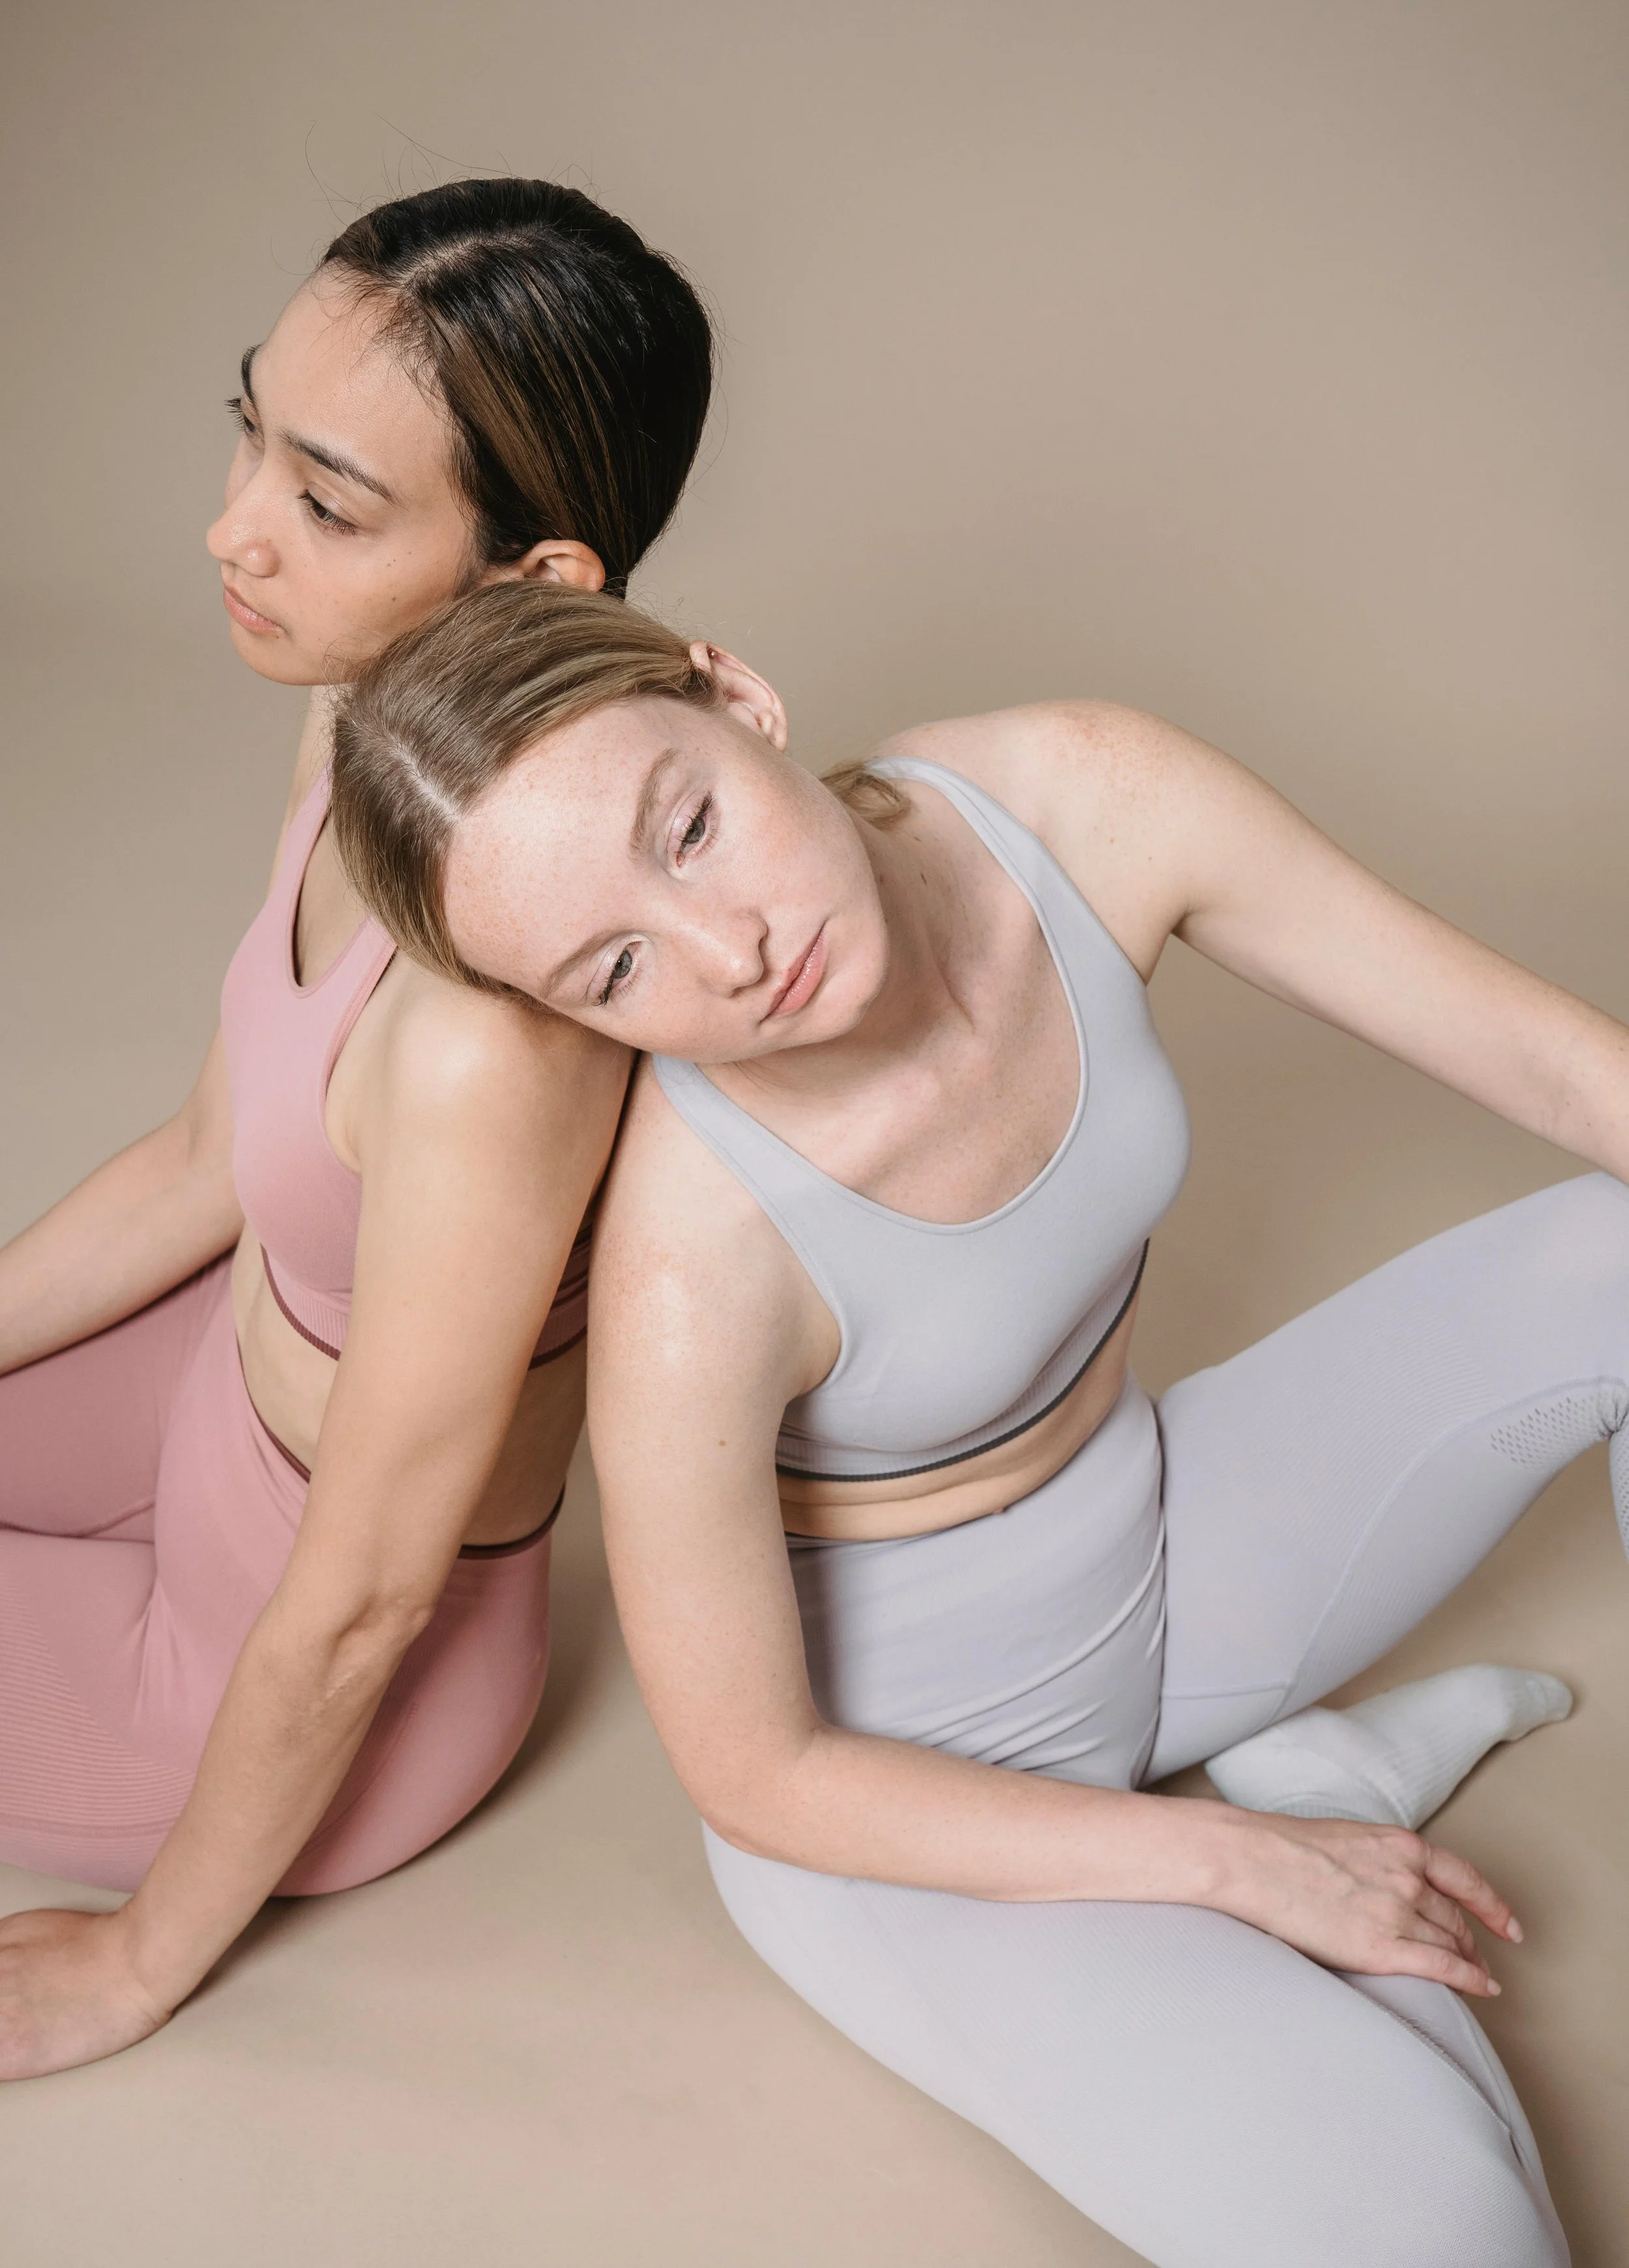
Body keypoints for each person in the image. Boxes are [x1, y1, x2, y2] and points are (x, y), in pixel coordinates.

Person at [325, 580, 1629, 2265]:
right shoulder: (691, 1264)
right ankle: (1289, 1837)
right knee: (1444, 2234)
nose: (732, 950)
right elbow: (759, 1772)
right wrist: (1232, 1863)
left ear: (737, 692)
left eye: (693, 825)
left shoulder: (1085, 798)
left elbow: (1568, 1075)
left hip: (1165, 1543)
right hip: (909, 1804)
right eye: (620, 965)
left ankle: (1293, 1801)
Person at [0, 182, 714, 2082]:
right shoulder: (371, 716)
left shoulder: (497, 1034)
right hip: (204, 1390)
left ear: (529, 589)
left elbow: (368, 1591)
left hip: (284, 1640)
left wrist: (140, 1963)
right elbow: (199, 1159)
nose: (234, 530)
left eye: (326, 502)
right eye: (250, 430)